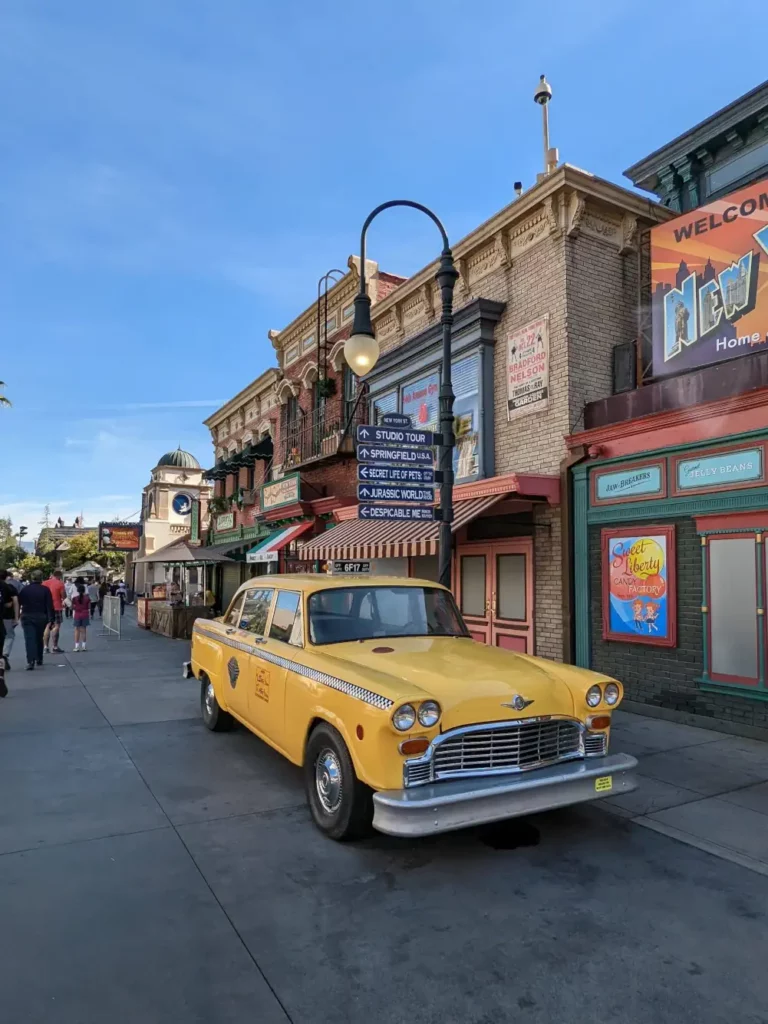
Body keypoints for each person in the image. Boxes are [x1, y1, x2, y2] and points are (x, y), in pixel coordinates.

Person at [18, 570, 54, 670]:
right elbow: (49, 606)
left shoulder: (25, 590)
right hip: (41, 617)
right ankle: (39, 658)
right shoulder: (45, 590)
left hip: (27, 616)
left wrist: (17, 616)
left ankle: (30, 661)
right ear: (41, 578)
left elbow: (19, 603)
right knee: (39, 637)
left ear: (31, 578)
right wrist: (51, 619)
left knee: (30, 639)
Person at [0, 569, 20, 672]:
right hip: (7, 616)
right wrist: (16, 617)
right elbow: (14, 602)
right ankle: (5, 654)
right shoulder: (9, 587)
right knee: (9, 636)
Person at [43, 569, 67, 654]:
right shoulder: (60, 583)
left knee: (47, 626)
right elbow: (64, 596)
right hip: (57, 607)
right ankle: (55, 646)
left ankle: (45, 647)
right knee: (56, 626)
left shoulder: (44, 583)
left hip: (45, 608)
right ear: (59, 576)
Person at [72, 585, 90, 652]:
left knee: (77, 630)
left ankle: (76, 647)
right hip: (85, 614)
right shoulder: (87, 598)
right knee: (84, 630)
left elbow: (72, 607)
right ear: (84, 590)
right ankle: (84, 646)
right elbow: (89, 607)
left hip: (77, 615)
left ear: (77, 590)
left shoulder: (74, 598)